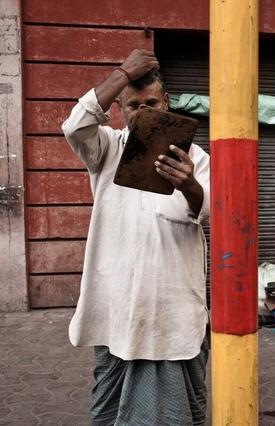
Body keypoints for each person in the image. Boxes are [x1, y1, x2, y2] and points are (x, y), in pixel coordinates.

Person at [61, 49, 210, 425]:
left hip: (174, 312)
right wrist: (123, 73)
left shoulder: (195, 157)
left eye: (151, 103)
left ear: (167, 102)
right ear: (119, 109)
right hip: (117, 311)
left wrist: (188, 183)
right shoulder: (106, 147)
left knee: (183, 412)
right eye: (132, 106)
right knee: (109, 411)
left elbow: (207, 208)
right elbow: (74, 126)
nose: (142, 112)